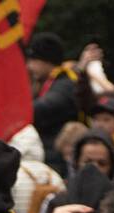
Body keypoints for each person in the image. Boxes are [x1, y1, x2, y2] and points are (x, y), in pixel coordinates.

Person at [26, 32, 81, 173]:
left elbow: (41, 108)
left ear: (48, 61)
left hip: (58, 163)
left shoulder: (66, 84)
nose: (29, 66)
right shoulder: (42, 84)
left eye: (34, 60)